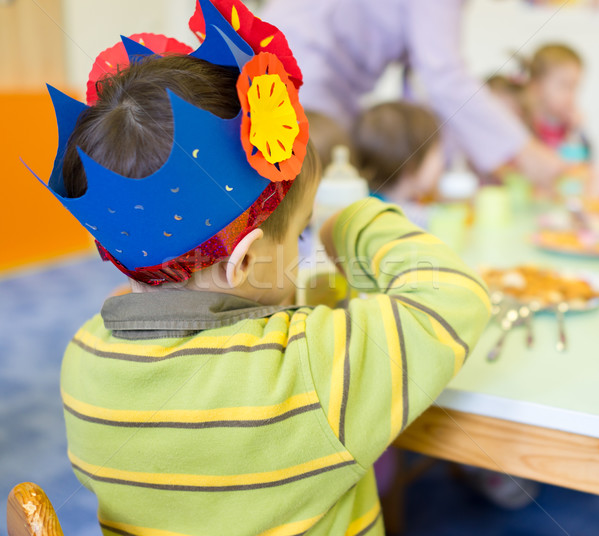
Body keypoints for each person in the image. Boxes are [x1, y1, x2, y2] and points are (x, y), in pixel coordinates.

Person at [31, 1, 490, 533]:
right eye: (297, 236)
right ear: (245, 260)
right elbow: (456, 297)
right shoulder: (309, 369)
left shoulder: (83, 358)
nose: (302, 247)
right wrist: (348, 219)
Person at [261, 0, 567, 187]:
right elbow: (443, 74)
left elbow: (422, 78)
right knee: (309, 191)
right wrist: (527, 151)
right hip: (303, 66)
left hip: (314, 70)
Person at [354, 101, 443, 228]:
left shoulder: (362, 204)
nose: (442, 162)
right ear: (412, 164)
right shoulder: (411, 221)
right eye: (436, 150)